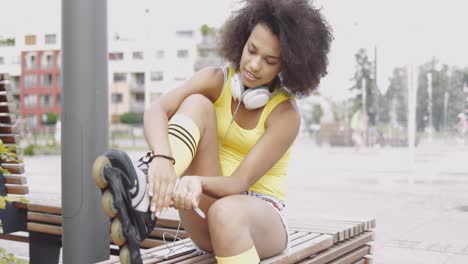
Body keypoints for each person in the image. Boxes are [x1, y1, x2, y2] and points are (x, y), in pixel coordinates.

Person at [92, 0, 332, 263]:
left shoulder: (285, 114)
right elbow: (156, 110)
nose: (253, 65)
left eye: (269, 60)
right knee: (197, 103)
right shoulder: (216, 80)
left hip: (260, 220)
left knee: (226, 212)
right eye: (251, 50)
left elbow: (239, 183)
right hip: (205, 211)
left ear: (286, 65)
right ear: (242, 39)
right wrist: (162, 158)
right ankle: (144, 194)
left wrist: (197, 182)